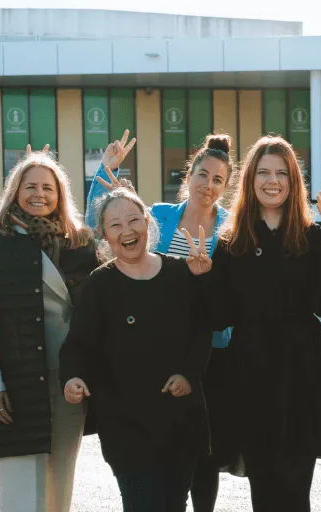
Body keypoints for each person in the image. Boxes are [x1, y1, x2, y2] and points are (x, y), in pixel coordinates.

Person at [85, 132, 239, 511]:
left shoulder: (230, 229)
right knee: (154, 449)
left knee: (203, 450)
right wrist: (107, 168)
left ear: (226, 186)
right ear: (190, 175)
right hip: (154, 346)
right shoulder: (160, 215)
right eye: (203, 174)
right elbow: (102, 218)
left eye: (218, 179)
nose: (208, 185)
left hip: (211, 351)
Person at [205, 135, 321, 511]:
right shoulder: (231, 241)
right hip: (250, 371)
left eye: (281, 173)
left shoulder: (315, 237)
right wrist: (201, 276)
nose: (273, 181)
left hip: (301, 372)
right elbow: (218, 315)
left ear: (293, 182)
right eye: (264, 172)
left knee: (296, 485)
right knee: (264, 484)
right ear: (250, 179)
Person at [60, 187, 216, 512]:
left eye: (134, 220)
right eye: (115, 224)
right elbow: (79, 343)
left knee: (173, 504)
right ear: (103, 233)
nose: (127, 230)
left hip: (180, 420)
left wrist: (188, 374)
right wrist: (73, 377)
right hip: (125, 425)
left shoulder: (180, 273)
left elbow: (202, 331)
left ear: (148, 222)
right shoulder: (99, 285)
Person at [0, 147, 98, 512]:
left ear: (60, 195)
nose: (39, 193)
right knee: (20, 490)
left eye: (48, 187)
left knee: (59, 485)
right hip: (17, 380)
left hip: (69, 380)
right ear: (15, 192)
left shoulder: (82, 244)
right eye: (30, 186)